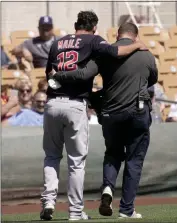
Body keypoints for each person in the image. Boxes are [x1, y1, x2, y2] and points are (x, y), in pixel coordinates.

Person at [41, 11, 147, 221]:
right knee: (76, 162)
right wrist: (136, 45)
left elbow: (49, 75)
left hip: (52, 103)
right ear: (94, 27)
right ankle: (75, 211)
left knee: (51, 156)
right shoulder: (93, 40)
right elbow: (116, 52)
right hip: (75, 103)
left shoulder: (57, 43)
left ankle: (49, 202)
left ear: (75, 24)